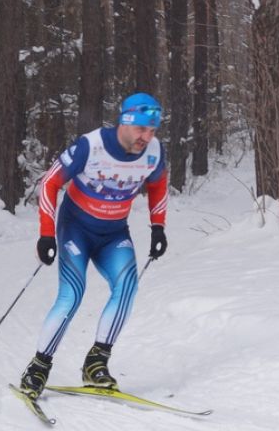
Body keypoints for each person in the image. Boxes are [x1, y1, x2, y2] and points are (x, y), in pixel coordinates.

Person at [18, 92, 169, 400]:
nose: (147, 136)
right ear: (125, 123)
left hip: (114, 233)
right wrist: (47, 234)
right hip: (76, 229)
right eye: (142, 129)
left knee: (127, 287)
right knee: (72, 294)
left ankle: (96, 363)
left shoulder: (154, 151)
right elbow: (50, 182)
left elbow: (157, 185)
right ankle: (38, 366)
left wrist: (158, 227)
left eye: (153, 130)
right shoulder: (92, 145)